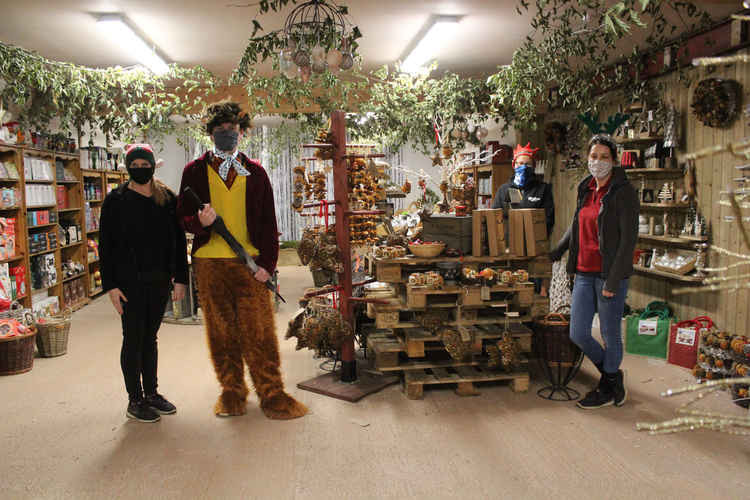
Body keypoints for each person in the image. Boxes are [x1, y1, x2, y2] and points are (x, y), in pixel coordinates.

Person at [176, 102, 307, 420]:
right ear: (210, 133)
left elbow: (268, 223)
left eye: (232, 130)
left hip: (249, 264)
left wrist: (268, 265)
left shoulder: (257, 172)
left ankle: (272, 393)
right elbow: (182, 217)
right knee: (221, 332)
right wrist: (200, 223)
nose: (226, 136)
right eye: (219, 131)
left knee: (259, 330)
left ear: (242, 132)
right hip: (209, 264)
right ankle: (232, 391)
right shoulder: (193, 171)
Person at [549, 134, 639, 410]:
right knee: (577, 332)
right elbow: (576, 224)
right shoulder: (585, 187)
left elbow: (628, 241)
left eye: (604, 157)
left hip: (609, 274)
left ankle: (607, 386)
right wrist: (558, 251)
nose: (597, 162)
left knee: (611, 334)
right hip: (584, 273)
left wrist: (613, 280)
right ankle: (612, 377)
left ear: (613, 161)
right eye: (593, 156)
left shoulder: (623, 192)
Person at [100, 144, 188, 423]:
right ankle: (134, 399)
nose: (140, 169)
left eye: (144, 164)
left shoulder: (168, 199)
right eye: (134, 165)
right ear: (128, 167)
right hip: (128, 284)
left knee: (150, 338)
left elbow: (177, 242)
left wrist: (181, 279)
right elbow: (106, 246)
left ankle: (151, 393)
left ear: (152, 166)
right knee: (133, 338)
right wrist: (111, 286)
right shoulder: (115, 200)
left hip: (159, 280)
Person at [491, 142, 554, 236]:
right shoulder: (504, 189)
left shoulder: (543, 189)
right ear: (514, 165)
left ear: (534, 166)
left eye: (527, 164)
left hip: (534, 242)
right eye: (520, 163)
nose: (524, 167)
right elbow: (495, 217)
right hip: (509, 243)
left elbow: (549, 219)